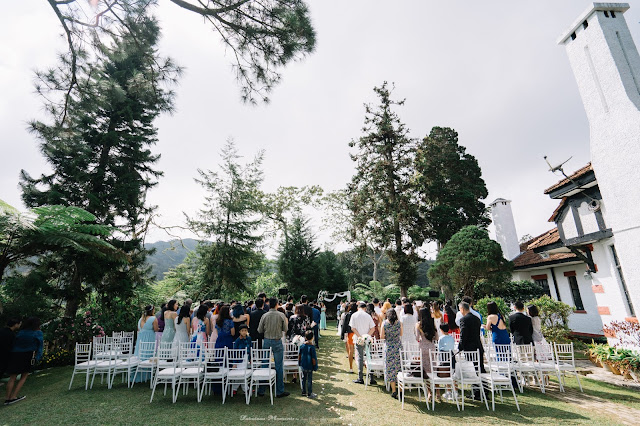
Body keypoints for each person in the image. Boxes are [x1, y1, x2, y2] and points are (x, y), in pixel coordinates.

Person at [4, 317, 43, 405]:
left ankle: (7, 398)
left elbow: (14, 343)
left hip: (15, 354)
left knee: (12, 377)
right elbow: (40, 346)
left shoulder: (21, 332)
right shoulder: (37, 333)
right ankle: (13, 396)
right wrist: (38, 358)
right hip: (27, 355)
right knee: (24, 376)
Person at [258, 297, 289, 398]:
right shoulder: (281, 315)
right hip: (277, 340)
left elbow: (260, 330)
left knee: (264, 364)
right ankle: (279, 391)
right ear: (276, 304)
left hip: (267, 340)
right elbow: (285, 329)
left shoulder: (264, 315)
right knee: (279, 366)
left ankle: (261, 390)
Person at [349, 302, 376, 385]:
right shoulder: (368, 316)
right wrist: (366, 336)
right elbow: (373, 328)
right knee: (369, 356)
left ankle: (360, 377)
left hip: (358, 339)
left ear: (358, 308)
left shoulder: (354, 315)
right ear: (365, 308)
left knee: (360, 357)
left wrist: (360, 336)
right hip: (367, 339)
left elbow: (352, 328)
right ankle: (371, 377)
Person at [458, 302, 485, 375]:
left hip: (469, 347)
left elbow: (463, 334)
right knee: (480, 367)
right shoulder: (477, 318)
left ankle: (475, 384)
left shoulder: (463, 319)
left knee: (472, 368)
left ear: (462, 309)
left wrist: (460, 346)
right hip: (478, 345)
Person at [380, 309, 402, 399]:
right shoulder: (399, 323)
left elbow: (381, 336)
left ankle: (394, 390)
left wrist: (388, 336)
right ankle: (400, 390)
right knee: (399, 368)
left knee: (391, 368)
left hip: (389, 347)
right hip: (398, 346)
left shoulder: (385, 323)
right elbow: (401, 334)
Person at [134, 305, 158, 383]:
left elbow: (138, 329)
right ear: (152, 311)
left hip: (140, 339)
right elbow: (155, 329)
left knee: (140, 354)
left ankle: (138, 375)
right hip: (149, 339)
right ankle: (147, 376)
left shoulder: (140, 319)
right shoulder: (153, 319)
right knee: (148, 354)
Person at [416, 307, 437, 388]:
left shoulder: (419, 324)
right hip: (431, 346)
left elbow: (417, 338)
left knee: (425, 369)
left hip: (422, 347)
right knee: (433, 367)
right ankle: (437, 391)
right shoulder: (432, 322)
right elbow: (437, 337)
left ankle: (429, 391)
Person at [299, 330, 318, 398]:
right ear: (312, 338)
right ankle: (309, 393)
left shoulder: (302, 346)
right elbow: (313, 358)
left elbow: (299, 355)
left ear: (305, 337)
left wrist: (299, 363)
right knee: (309, 379)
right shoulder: (312, 347)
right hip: (310, 366)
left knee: (303, 378)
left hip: (303, 365)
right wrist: (315, 366)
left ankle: (303, 391)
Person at [340, 303, 356, 373]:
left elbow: (344, 325)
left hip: (350, 333)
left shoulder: (348, 315)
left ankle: (351, 367)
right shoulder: (356, 315)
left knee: (351, 350)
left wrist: (342, 334)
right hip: (358, 333)